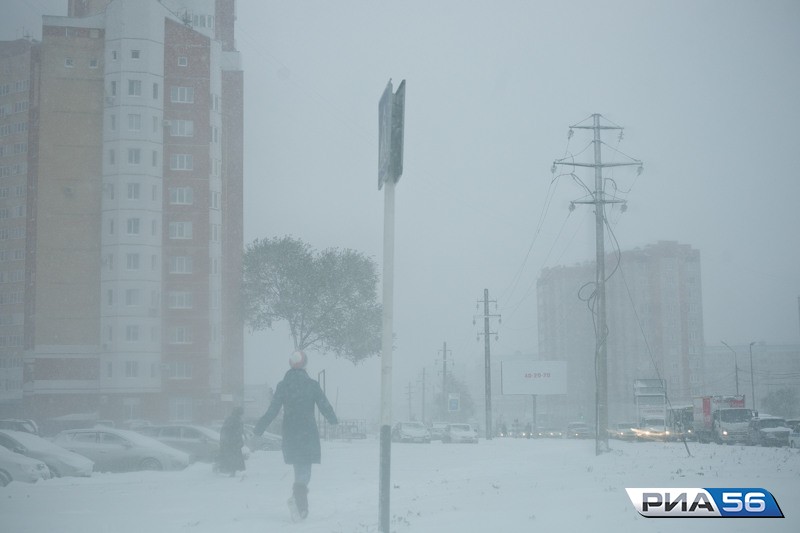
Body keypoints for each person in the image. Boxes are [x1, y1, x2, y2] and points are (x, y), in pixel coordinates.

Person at [254, 350, 338, 520]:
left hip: (291, 433)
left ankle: (299, 504)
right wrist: (333, 420)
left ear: (290, 364)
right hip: (307, 433)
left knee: (299, 468)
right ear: (305, 364)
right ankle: (298, 502)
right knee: (305, 470)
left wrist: (259, 427)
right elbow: (324, 404)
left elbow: (273, 410)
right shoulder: (312, 385)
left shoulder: (283, 386)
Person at [216, 406, 246, 476]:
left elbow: (238, 431)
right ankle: (232, 471)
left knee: (232, 456)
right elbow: (231, 430)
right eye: (241, 413)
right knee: (233, 457)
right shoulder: (234, 419)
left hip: (232, 441)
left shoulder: (234, 419)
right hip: (232, 442)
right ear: (238, 413)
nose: (241, 415)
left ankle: (233, 471)